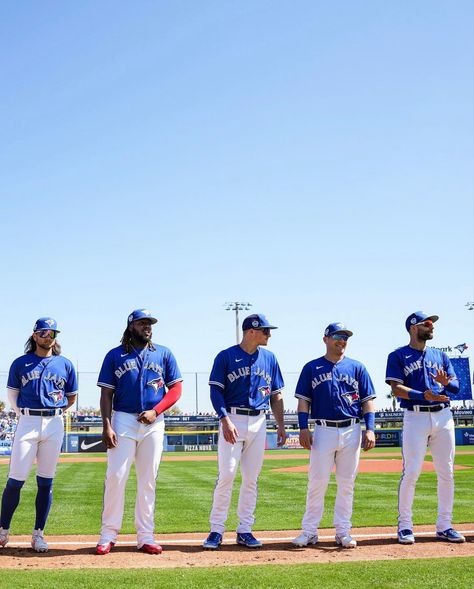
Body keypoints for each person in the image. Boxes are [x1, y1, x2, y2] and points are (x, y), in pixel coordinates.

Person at [95, 309, 183, 555]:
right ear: (131, 326)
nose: (148, 327)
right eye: (143, 323)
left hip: (154, 422)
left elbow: (175, 389)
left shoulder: (164, 353)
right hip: (123, 419)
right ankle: (108, 534)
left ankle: (145, 535)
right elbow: (106, 394)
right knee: (115, 477)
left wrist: (156, 410)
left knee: (148, 480)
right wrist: (107, 424)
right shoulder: (115, 355)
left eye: (150, 323)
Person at [202, 313, 286, 549]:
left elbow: (276, 395)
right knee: (227, 474)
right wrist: (224, 419)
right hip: (233, 417)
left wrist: (280, 425)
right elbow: (215, 392)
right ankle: (216, 530)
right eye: (266, 331)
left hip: (260, 421)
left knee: (251, 478)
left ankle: (245, 529)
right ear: (251, 331)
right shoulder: (226, 356)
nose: (269, 335)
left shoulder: (270, 358)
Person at [292, 322, 376, 549]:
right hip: (323, 430)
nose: (342, 340)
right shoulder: (312, 367)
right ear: (326, 339)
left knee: (346, 483)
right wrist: (302, 428)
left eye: (346, 337)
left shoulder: (357, 367)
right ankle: (309, 532)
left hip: (352, 429)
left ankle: (343, 532)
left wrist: (370, 428)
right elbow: (303, 402)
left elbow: (367, 402)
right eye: (338, 336)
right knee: (317, 482)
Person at [385, 311, 465, 544]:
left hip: (443, 416)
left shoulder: (440, 355)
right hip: (415, 416)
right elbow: (396, 388)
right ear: (413, 327)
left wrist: (446, 383)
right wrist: (423, 394)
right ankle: (405, 526)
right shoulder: (398, 355)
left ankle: (445, 525)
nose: (432, 327)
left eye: (432, 324)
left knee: (447, 473)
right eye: (428, 324)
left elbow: (457, 387)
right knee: (411, 472)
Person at [0, 318, 78, 552]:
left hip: (54, 422)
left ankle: (38, 534)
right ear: (34, 336)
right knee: (15, 480)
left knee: (46, 481)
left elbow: (71, 397)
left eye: (52, 332)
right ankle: (3, 531)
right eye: (43, 332)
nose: (48, 336)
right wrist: (27, 415)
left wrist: (52, 414)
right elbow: (12, 396)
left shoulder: (65, 364)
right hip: (28, 421)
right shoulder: (20, 363)